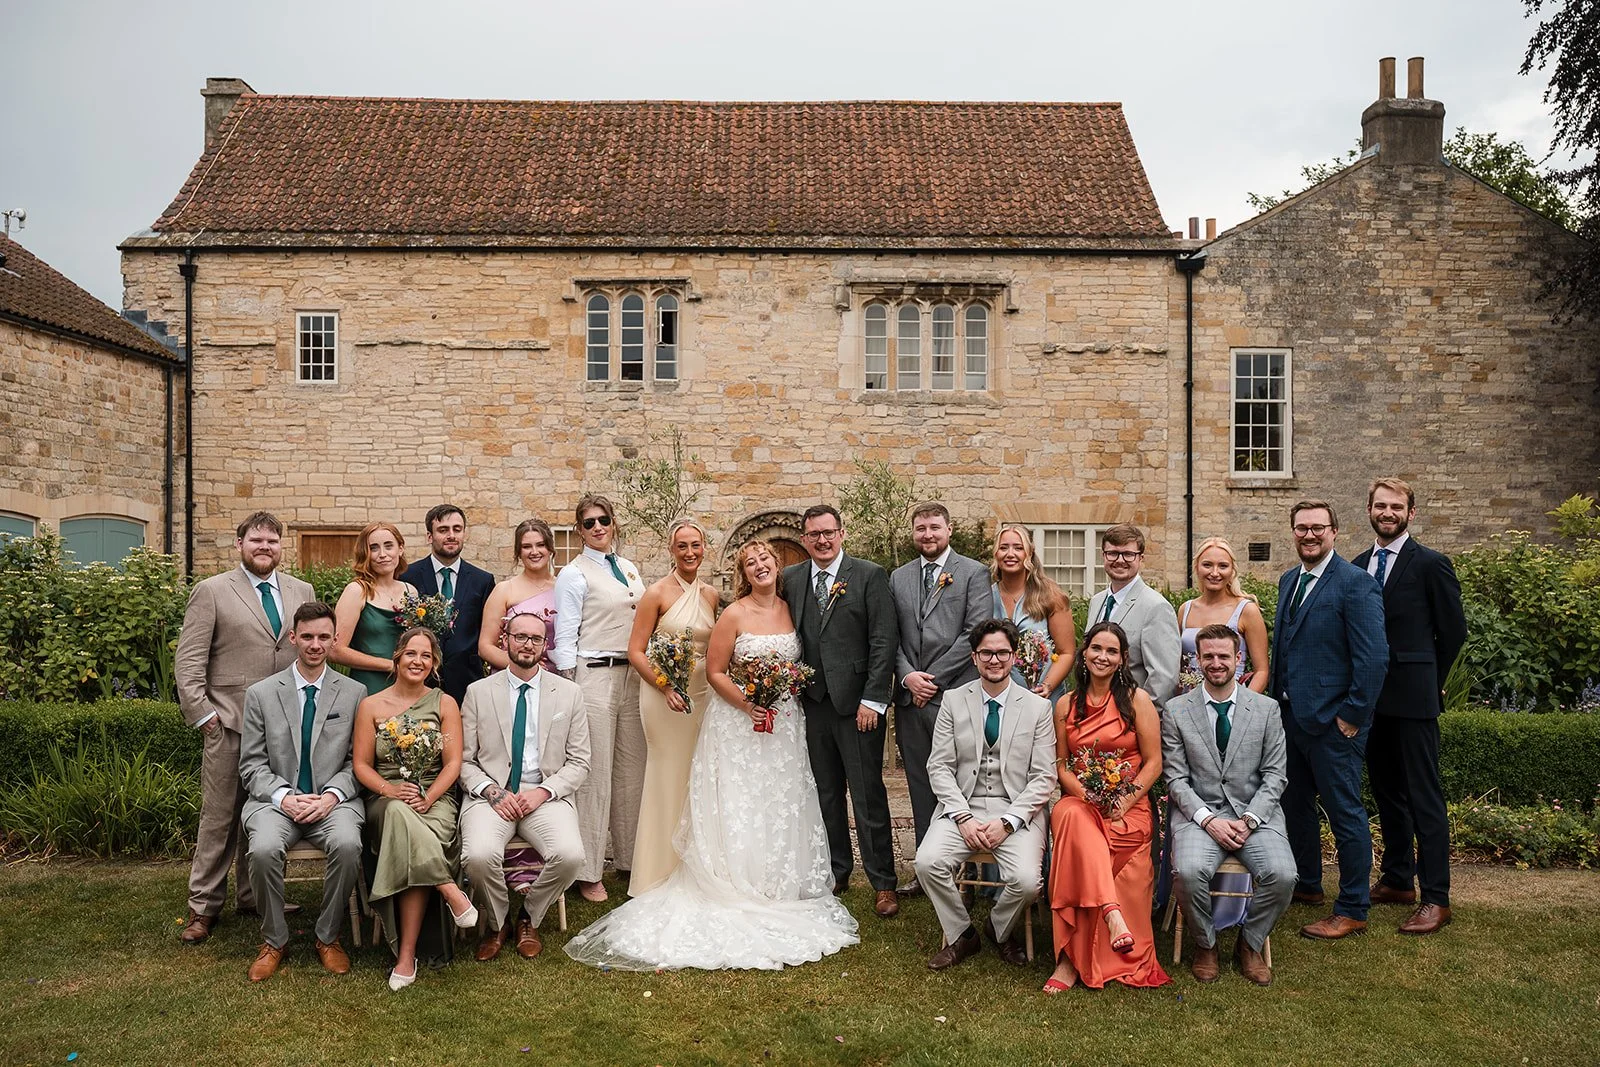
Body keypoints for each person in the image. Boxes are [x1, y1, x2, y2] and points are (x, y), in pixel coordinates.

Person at [565, 540, 859, 971]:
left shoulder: (792, 608)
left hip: (784, 723)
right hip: (740, 718)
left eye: (765, 560)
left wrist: (781, 694)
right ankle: (730, 878)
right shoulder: (733, 612)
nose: (760, 566)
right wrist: (748, 704)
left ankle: (776, 880)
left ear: (778, 566)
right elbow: (718, 669)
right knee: (737, 799)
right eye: (750, 562)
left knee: (779, 799)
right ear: (743, 572)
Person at [175, 511, 315, 944]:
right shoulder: (212, 591)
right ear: (240, 544)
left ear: (280, 547)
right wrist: (204, 716)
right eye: (256, 540)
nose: (265, 547)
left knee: (267, 812)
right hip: (230, 721)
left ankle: (254, 896)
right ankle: (203, 907)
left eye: (272, 541)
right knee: (220, 818)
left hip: (283, 727)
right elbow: (189, 661)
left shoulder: (301, 590)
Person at [1269, 499, 1388, 940]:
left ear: (1335, 532)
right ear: (1294, 533)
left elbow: (1374, 658)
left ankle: (1353, 906)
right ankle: (1308, 885)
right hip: (1292, 721)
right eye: (1301, 528)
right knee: (1295, 807)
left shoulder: (1356, 584)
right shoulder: (1288, 580)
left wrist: (1352, 717)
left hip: (1335, 726)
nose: (1309, 535)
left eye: (1318, 527)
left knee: (1345, 814)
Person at [1352, 478, 1467, 936]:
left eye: (1396, 506)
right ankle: (1398, 879)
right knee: (1386, 793)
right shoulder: (1359, 566)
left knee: (1424, 797)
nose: (1387, 512)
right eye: (1380, 505)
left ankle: (1436, 897)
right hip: (1371, 701)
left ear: (1410, 513)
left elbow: (1453, 632)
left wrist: (1431, 682)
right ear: (1369, 509)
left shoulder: (1432, 565)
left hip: (1415, 698)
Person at [915, 619, 1056, 970]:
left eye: (1002, 653)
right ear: (974, 657)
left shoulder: (1038, 708)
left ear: (1014, 656)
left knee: (1026, 882)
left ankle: (997, 926)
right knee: (927, 863)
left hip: (1016, 811)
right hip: (963, 806)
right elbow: (939, 766)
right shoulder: (953, 700)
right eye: (987, 653)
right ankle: (964, 934)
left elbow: (1043, 777)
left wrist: (1007, 823)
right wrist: (962, 816)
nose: (995, 660)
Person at [781, 504, 900, 918]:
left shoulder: (868, 575)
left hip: (858, 707)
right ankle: (837, 872)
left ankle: (884, 882)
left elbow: (884, 640)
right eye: (813, 535)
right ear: (805, 539)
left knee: (868, 796)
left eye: (828, 532)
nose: (822, 540)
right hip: (811, 705)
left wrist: (874, 699)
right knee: (825, 794)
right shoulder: (792, 579)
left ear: (842, 533)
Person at [238, 602, 367, 982]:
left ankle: (327, 936)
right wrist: (283, 797)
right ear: (293, 638)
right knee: (262, 850)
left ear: (334, 640)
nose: (315, 644)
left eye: (323, 637)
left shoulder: (354, 692)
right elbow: (251, 765)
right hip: (276, 803)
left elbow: (356, 763)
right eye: (307, 636)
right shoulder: (261, 694)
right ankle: (274, 940)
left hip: (334, 802)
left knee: (347, 845)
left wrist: (330, 797)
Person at [1163, 624, 1295, 986]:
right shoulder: (1176, 710)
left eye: (1224, 656)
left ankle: (1249, 943)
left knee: (1283, 876)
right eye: (1208, 656)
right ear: (1197, 660)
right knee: (1188, 873)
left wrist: (1250, 819)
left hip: (1256, 814)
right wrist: (1208, 821)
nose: (1216, 663)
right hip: (1200, 816)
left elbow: (1275, 776)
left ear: (1239, 660)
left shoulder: (1266, 710)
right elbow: (1175, 779)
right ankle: (1206, 944)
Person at [1044, 622, 1171, 991]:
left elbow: (1153, 763)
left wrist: (1124, 798)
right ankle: (1111, 915)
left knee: (1076, 840)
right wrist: (1087, 796)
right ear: (1084, 653)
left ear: (1122, 659)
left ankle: (1069, 960)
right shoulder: (1066, 705)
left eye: (1111, 651)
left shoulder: (1138, 701)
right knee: (1067, 813)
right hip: (1084, 803)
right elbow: (1062, 766)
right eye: (1096, 649)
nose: (1102, 656)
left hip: (1128, 807)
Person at [352, 626, 480, 991]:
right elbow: (361, 765)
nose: (418, 661)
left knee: (409, 835)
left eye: (426, 656)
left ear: (434, 664)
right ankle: (449, 890)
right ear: (397, 657)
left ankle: (406, 956)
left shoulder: (445, 704)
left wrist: (428, 797)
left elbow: (453, 763)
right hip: (385, 797)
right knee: (396, 816)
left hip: (434, 798)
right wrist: (390, 789)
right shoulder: (371, 706)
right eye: (411, 653)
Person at [458, 610, 590, 963]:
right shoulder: (477, 692)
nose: (527, 644)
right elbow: (464, 761)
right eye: (520, 637)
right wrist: (492, 791)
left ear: (544, 645)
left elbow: (579, 762)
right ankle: (498, 922)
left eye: (535, 638)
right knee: (478, 856)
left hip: (544, 795)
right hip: (491, 796)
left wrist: (542, 793)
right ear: (505, 640)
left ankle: (529, 916)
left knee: (571, 856)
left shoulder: (569, 694)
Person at [551, 493, 647, 902]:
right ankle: (588, 870)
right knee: (594, 774)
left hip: (634, 674)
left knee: (632, 770)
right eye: (588, 523)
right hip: (593, 676)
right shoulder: (573, 575)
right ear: (579, 530)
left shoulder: (628, 568)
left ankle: (629, 860)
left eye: (603, 520)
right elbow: (565, 636)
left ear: (613, 522)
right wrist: (569, 686)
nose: (597, 528)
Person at [891, 501, 991, 860]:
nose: (928, 534)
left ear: (949, 530)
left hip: (953, 695)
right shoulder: (898, 576)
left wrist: (930, 681)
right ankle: (926, 862)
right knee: (918, 783)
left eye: (934, 527)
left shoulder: (974, 573)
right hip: (909, 699)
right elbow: (892, 637)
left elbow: (974, 633)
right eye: (921, 528)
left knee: (963, 781)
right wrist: (907, 677)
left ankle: (965, 865)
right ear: (914, 533)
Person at [626, 517, 720, 895]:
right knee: (667, 776)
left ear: (704, 548)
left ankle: (696, 864)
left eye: (695, 545)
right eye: (682, 545)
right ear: (671, 550)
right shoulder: (656, 593)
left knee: (696, 777)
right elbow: (635, 650)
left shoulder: (711, 595)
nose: (690, 552)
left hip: (701, 694)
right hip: (663, 695)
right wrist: (665, 686)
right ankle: (656, 871)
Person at [402, 504, 495, 705]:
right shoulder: (407, 577)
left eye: (457, 529)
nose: (451, 535)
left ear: (464, 533)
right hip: (420, 682)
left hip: (468, 683)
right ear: (429, 536)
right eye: (443, 530)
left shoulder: (483, 580)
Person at [1084, 524, 1180, 710]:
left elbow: (1164, 678)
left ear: (1141, 558)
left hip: (1129, 718)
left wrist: (1138, 717)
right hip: (1093, 711)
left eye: (1128, 554)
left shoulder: (1156, 607)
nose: (1120, 560)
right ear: (1103, 556)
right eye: (1113, 553)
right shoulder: (1097, 601)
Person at [989, 523, 1075, 700]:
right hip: (998, 695)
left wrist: (1047, 686)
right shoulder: (984, 596)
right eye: (1003, 547)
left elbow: (1066, 652)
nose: (1010, 554)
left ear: (1029, 553)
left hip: (1042, 695)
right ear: (996, 553)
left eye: (1018, 548)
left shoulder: (1050, 596)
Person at [332, 521, 417, 696]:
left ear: (400, 549)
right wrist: (389, 665)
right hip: (369, 685)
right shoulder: (357, 591)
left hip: (407, 684)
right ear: (365, 553)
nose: (382, 554)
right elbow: (335, 650)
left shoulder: (410, 591)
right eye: (374, 548)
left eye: (388, 546)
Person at [1176, 537, 1270, 695]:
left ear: (1232, 570)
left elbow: (1262, 671)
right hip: (1190, 702)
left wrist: (1241, 707)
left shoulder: (1247, 611)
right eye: (1207, 565)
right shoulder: (1185, 610)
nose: (1214, 573)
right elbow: (1179, 667)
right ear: (1197, 567)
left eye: (1223, 566)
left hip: (1232, 702)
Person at [479, 518, 560, 674]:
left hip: (554, 678)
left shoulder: (563, 589)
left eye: (541, 545)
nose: (534, 552)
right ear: (518, 552)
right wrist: (525, 667)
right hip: (512, 674)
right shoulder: (504, 590)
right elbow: (485, 646)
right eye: (526, 546)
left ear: (550, 548)